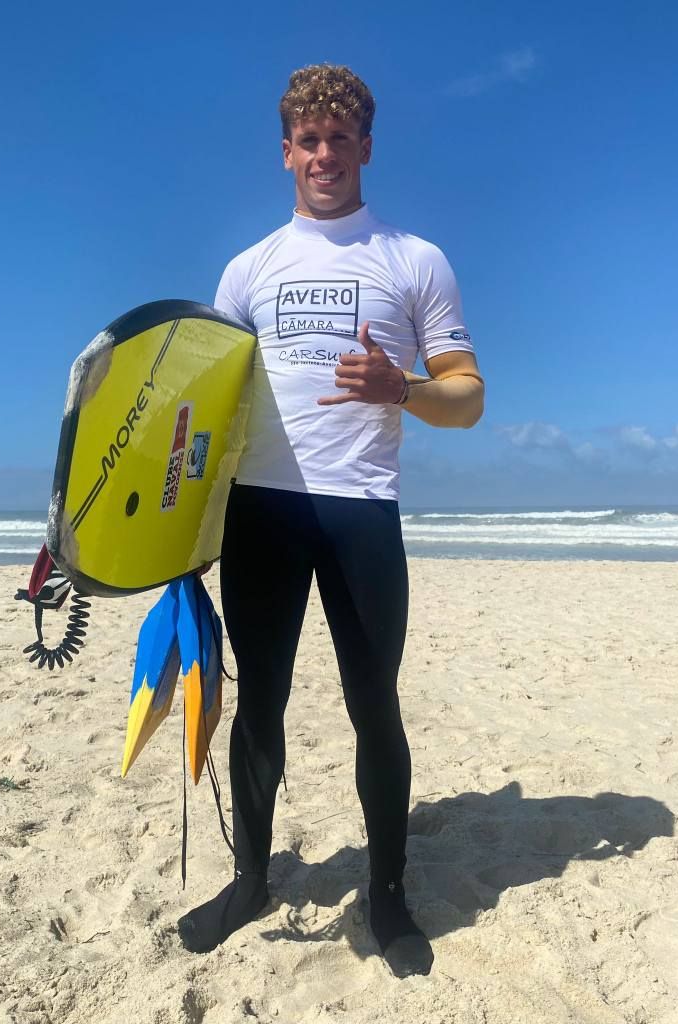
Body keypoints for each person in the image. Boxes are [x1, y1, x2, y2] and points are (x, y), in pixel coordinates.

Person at [177, 64, 484, 977]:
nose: (323, 154)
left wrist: (405, 389)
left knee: (373, 706)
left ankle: (386, 890)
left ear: (365, 147)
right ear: (286, 154)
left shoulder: (413, 258)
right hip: (261, 512)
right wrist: (174, 533)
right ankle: (251, 879)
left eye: (339, 138)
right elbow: (198, 410)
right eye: (307, 140)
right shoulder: (249, 271)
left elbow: (466, 399)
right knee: (258, 703)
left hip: (361, 512)